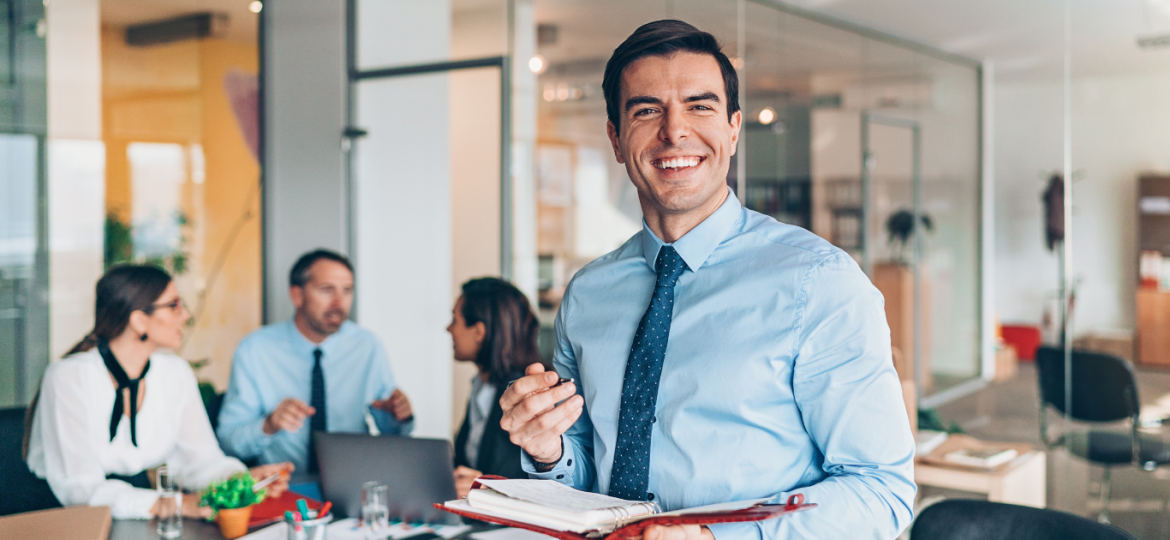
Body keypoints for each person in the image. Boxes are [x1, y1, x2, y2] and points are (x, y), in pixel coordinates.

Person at [498, 20, 915, 540]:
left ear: (734, 128)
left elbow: (880, 490)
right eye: (647, 110)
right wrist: (548, 450)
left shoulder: (819, 283)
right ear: (615, 137)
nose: (675, 132)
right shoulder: (587, 294)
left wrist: (716, 538)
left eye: (700, 106)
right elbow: (588, 471)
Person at [24, 265, 290, 519]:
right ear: (139, 320)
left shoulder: (175, 372)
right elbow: (79, 489)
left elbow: (199, 459)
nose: (185, 315)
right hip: (66, 519)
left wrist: (241, 480)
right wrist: (176, 504)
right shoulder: (67, 378)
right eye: (174, 305)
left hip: (142, 514)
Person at [217, 249, 414, 473]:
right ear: (297, 295)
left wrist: (398, 417)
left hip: (353, 482)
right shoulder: (254, 350)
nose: (339, 303)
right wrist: (268, 425)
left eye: (347, 291)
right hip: (283, 487)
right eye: (326, 290)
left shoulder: (367, 346)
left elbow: (395, 435)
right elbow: (229, 442)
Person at [448, 278, 544, 497]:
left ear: (478, 332)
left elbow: (537, 484)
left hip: (511, 526)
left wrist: (490, 489)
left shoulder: (526, 395)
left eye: (455, 319)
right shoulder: (480, 387)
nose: (449, 328)